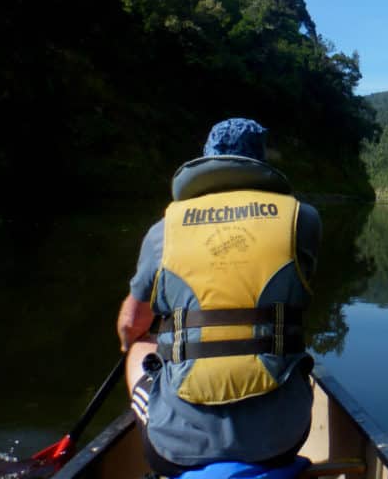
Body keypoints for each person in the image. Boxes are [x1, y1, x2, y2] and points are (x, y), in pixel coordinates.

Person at [116, 118, 321, 477]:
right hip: (282, 440)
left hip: (175, 450)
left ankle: (168, 416)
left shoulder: (162, 230)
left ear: (207, 160)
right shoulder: (303, 219)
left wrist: (140, 340)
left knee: (139, 347)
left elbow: (133, 323)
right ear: (260, 162)